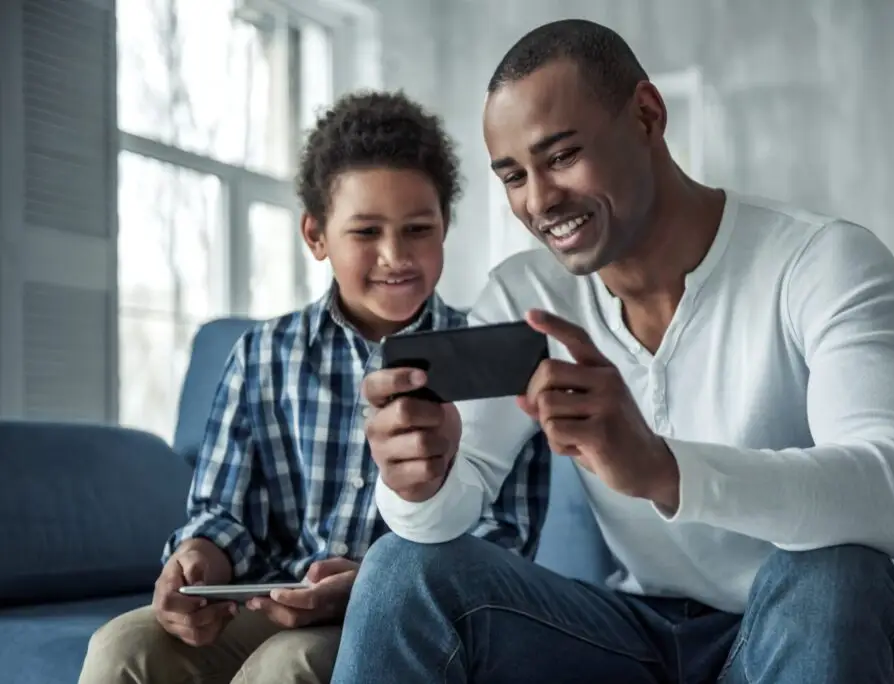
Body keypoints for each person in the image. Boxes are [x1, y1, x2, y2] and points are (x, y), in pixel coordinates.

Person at [329, 18, 894, 684]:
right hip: (638, 636)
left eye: (563, 155)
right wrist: (416, 481)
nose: (539, 201)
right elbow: (453, 501)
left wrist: (663, 469)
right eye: (514, 176)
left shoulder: (821, 261)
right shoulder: (527, 293)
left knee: (833, 571)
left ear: (647, 116)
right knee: (402, 568)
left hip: (801, 622)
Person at [78, 90, 547, 684]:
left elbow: (503, 542)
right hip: (269, 604)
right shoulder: (261, 355)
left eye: (418, 229)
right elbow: (224, 511)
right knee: (122, 646)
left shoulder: (488, 359)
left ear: (445, 227)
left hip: (401, 616)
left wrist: (369, 582)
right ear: (316, 234)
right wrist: (199, 557)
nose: (395, 255)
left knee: (289, 666)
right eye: (366, 231)